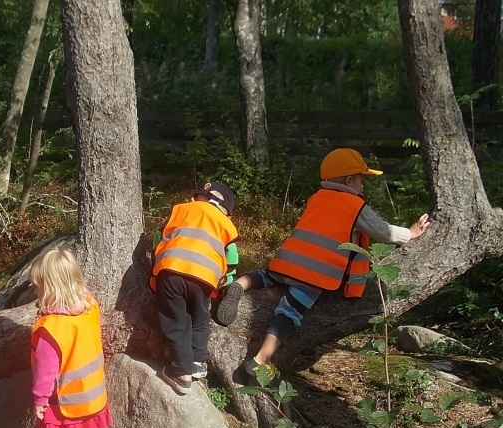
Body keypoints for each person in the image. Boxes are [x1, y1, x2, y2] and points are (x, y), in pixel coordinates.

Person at [215, 148, 431, 382]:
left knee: (264, 276)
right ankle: (260, 360)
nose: (363, 187)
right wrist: (410, 233)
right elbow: (382, 231)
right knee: (288, 313)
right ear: (349, 180)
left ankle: (239, 284)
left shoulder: (317, 198)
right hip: (315, 275)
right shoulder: (355, 206)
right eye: (361, 180)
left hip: (287, 262)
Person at [17, 246, 113, 428]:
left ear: (50, 289)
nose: (35, 292)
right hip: (90, 392)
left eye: (37, 287)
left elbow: (46, 372)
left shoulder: (51, 329)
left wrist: (40, 399)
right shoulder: (90, 307)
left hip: (62, 395)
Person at [150, 182, 240, 395]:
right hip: (205, 279)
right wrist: (222, 282)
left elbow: (158, 239)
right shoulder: (226, 224)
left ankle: (181, 372)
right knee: (200, 318)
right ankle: (198, 361)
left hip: (172, 271)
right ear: (226, 209)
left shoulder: (182, 209)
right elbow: (233, 259)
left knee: (176, 320)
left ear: (200, 196)